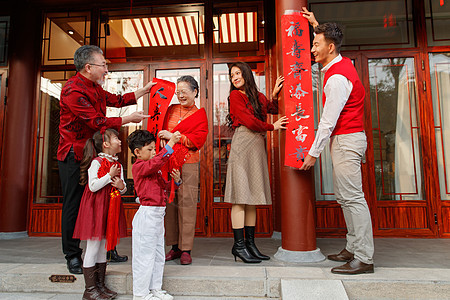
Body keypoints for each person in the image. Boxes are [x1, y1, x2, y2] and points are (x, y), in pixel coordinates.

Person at [58, 45, 155, 274]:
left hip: (98, 153)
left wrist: (144, 91)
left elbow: (117, 100)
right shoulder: (72, 90)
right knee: (74, 204)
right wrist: (128, 119)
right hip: (75, 154)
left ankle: (106, 248)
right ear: (88, 66)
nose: (106, 70)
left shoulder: (96, 87)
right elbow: (97, 122)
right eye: (104, 65)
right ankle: (72, 255)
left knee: (103, 200)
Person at [299, 9, 375, 275]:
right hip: (346, 140)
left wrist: (312, 153)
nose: (312, 49)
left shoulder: (337, 79)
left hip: (346, 140)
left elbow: (328, 121)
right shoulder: (341, 64)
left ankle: (364, 257)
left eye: (316, 44)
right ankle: (353, 248)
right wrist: (316, 25)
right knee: (345, 197)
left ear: (330, 47)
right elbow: (328, 41)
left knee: (353, 198)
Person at [224, 62, 288, 263]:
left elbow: (272, 108)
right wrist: (272, 127)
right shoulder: (235, 96)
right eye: (232, 74)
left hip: (257, 145)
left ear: (246, 74)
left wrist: (276, 94)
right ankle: (239, 246)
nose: (234, 77)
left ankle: (250, 244)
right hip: (243, 142)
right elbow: (249, 120)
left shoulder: (257, 96)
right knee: (240, 197)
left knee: (251, 198)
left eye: (237, 72)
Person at [159, 76, 208, 265]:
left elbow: (197, 141)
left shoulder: (200, 114)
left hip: (189, 161)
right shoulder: (170, 109)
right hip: (168, 161)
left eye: (184, 91)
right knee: (170, 203)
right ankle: (174, 247)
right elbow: (160, 130)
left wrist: (174, 136)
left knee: (187, 203)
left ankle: (186, 248)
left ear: (195, 92)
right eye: (178, 92)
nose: (180, 95)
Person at [73, 128, 127, 300]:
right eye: (116, 138)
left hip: (109, 210)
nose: (119, 141)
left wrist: (121, 186)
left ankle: (100, 286)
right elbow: (93, 186)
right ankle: (89, 290)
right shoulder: (96, 162)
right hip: (95, 209)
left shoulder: (118, 165)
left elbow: (124, 189)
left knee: (104, 247)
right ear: (105, 144)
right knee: (93, 247)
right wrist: (109, 176)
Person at [128, 129, 182, 300]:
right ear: (137, 152)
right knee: (144, 256)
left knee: (158, 255)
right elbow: (156, 163)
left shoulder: (153, 168)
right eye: (150, 149)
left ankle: (155, 289)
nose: (153, 153)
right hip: (147, 215)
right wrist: (171, 144)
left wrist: (177, 181)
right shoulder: (139, 167)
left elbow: (165, 187)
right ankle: (140, 293)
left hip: (158, 216)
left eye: (154, 149)